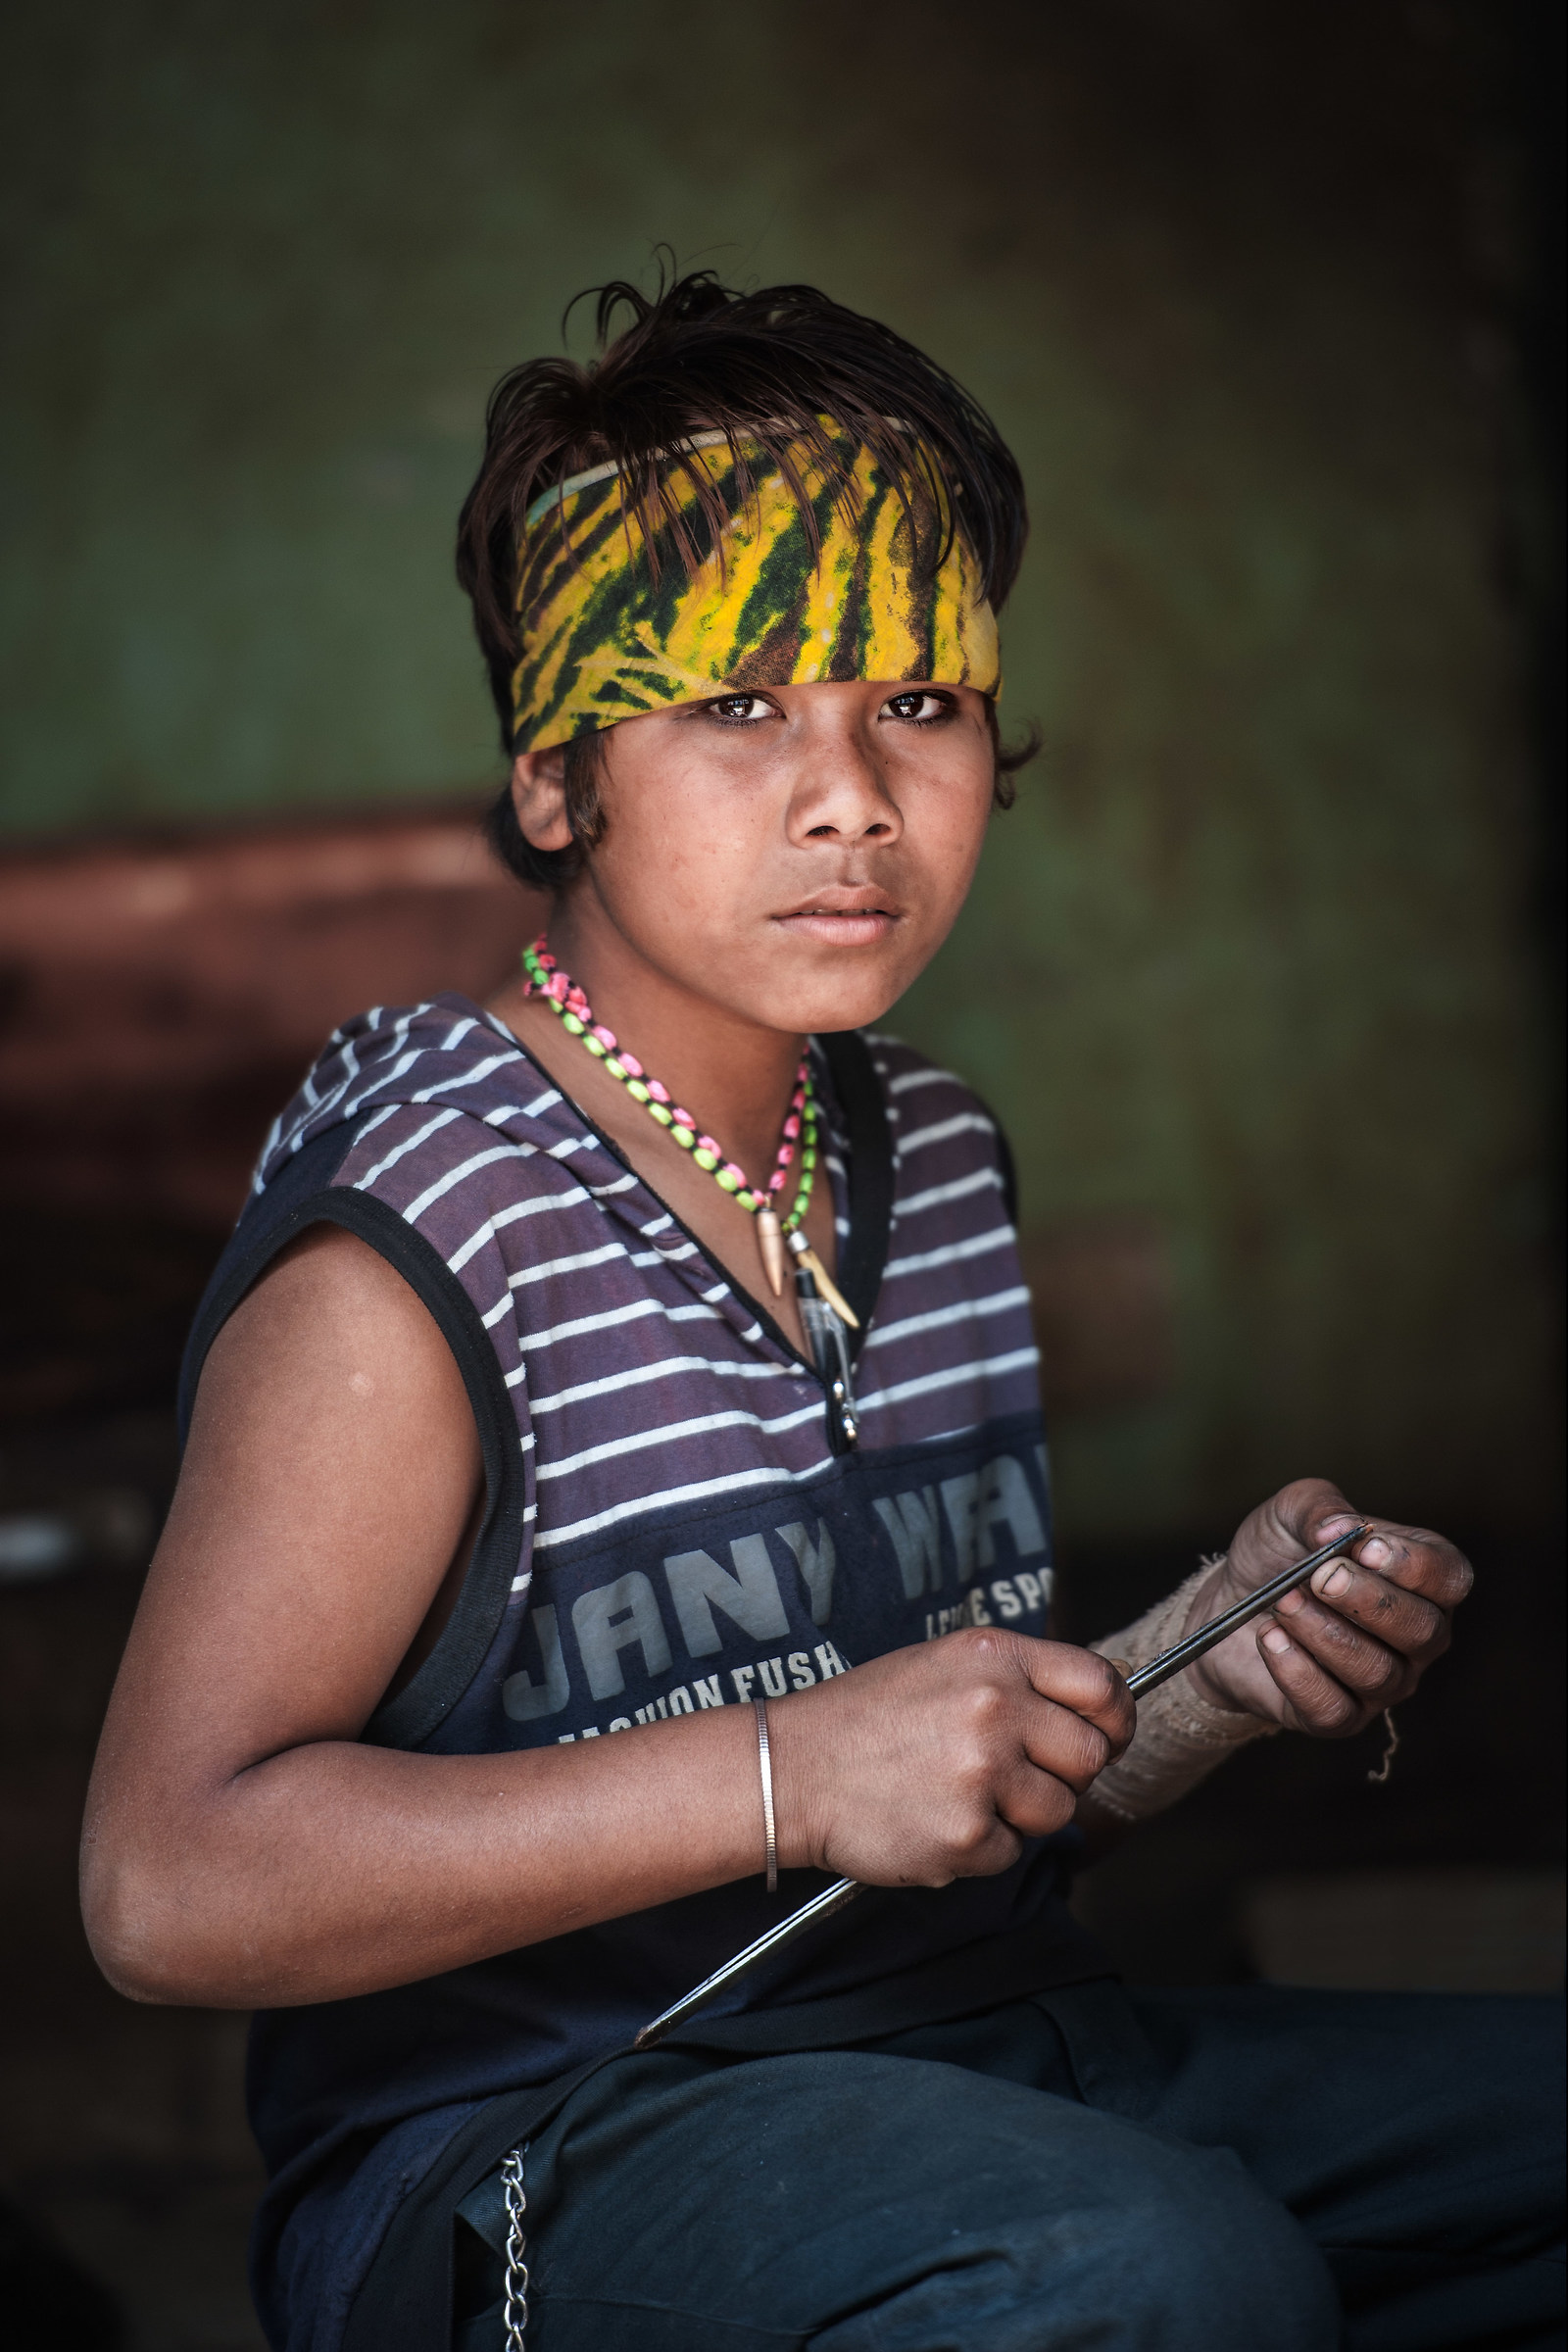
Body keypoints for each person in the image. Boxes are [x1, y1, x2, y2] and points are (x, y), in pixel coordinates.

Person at [81, 272, 1561, 2352]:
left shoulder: (935, 1154)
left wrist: (1193, 1675)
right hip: (535, 2147)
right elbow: (164, 1890)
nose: (848, 793)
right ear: (552, 782)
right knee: (1149, 2278)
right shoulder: (420, 1236)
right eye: (736, 705)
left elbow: (922, 1785)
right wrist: (776, 1770)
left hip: (986, 2049)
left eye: (918, 705)